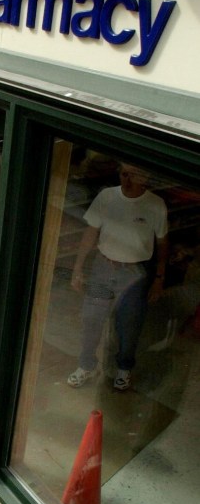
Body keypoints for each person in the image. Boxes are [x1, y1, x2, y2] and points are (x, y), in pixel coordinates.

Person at [68, 163, 168, 391]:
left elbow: (162, 243)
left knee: (129, 323)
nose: (128, 181)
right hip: (104, 267)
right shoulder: (107, 197)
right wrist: (78, 266)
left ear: (145, 176)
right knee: (92, 318)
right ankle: (86, 365)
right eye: (124, 174)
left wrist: (159, 277)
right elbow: (90, 232)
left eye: (134, 175)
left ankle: (124, 369)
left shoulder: (155, 205)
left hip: (135, 273)